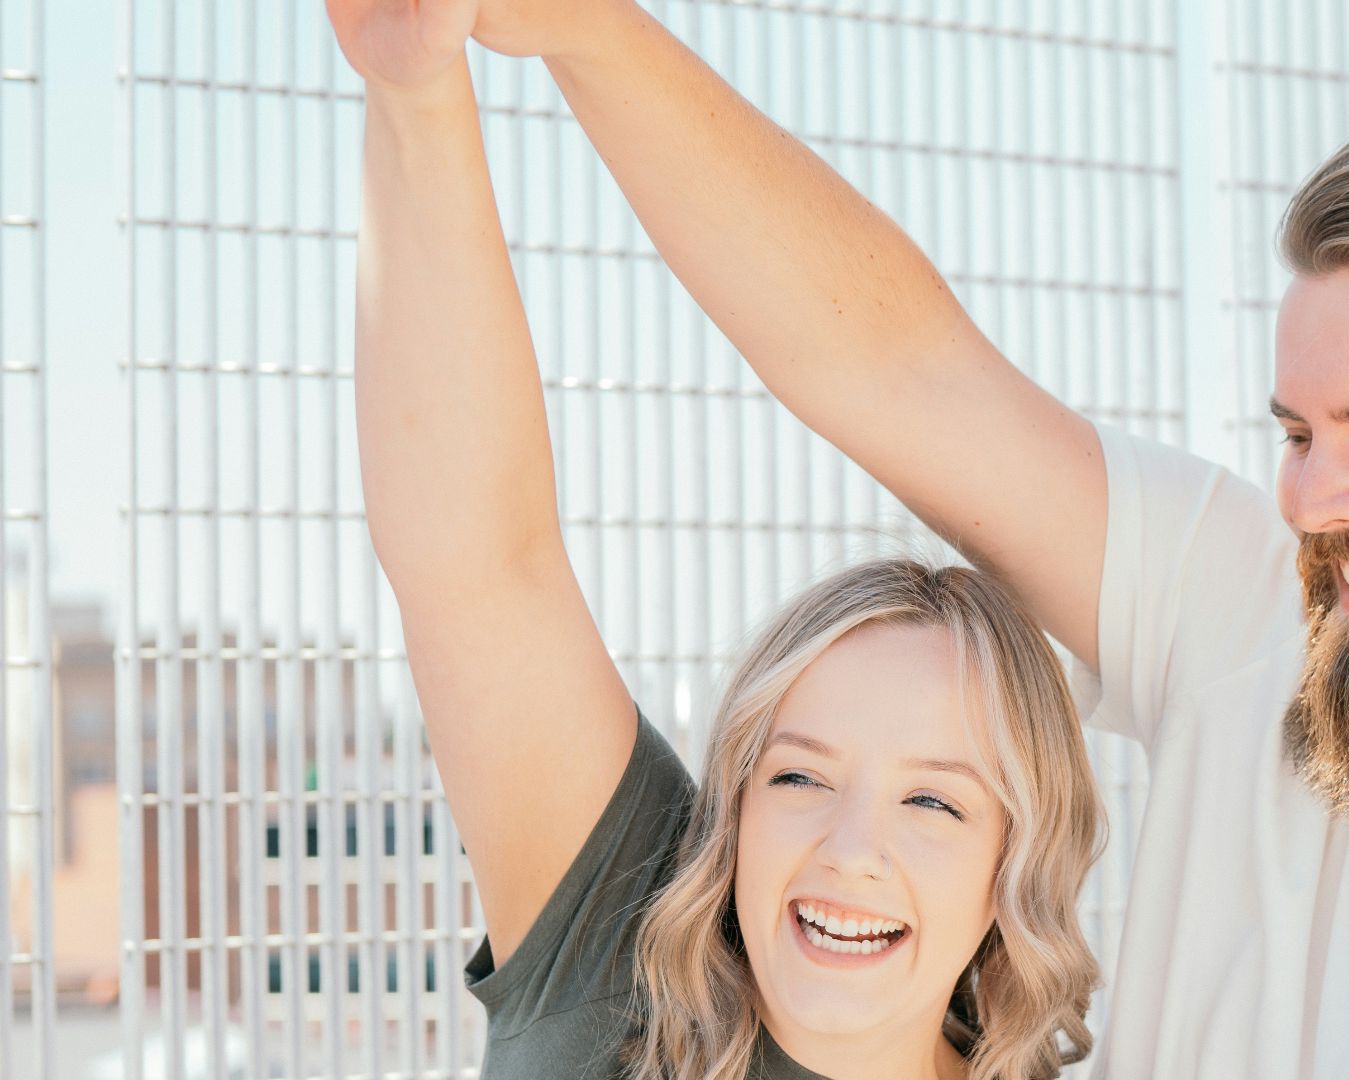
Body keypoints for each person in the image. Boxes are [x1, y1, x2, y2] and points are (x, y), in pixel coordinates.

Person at [456, 1, 1349, 1077]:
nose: (1319, 501)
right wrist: (580, 29)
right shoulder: (1256, 619)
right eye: (1298, 435)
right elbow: (894, 372)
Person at [324, 3, 1105, 1078]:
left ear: (1015, 868)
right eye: (797, 779)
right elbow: (479, 567)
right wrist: (413, 91)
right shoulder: (617, 970)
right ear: (732, 815)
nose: (850, 853)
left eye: (934, 800)